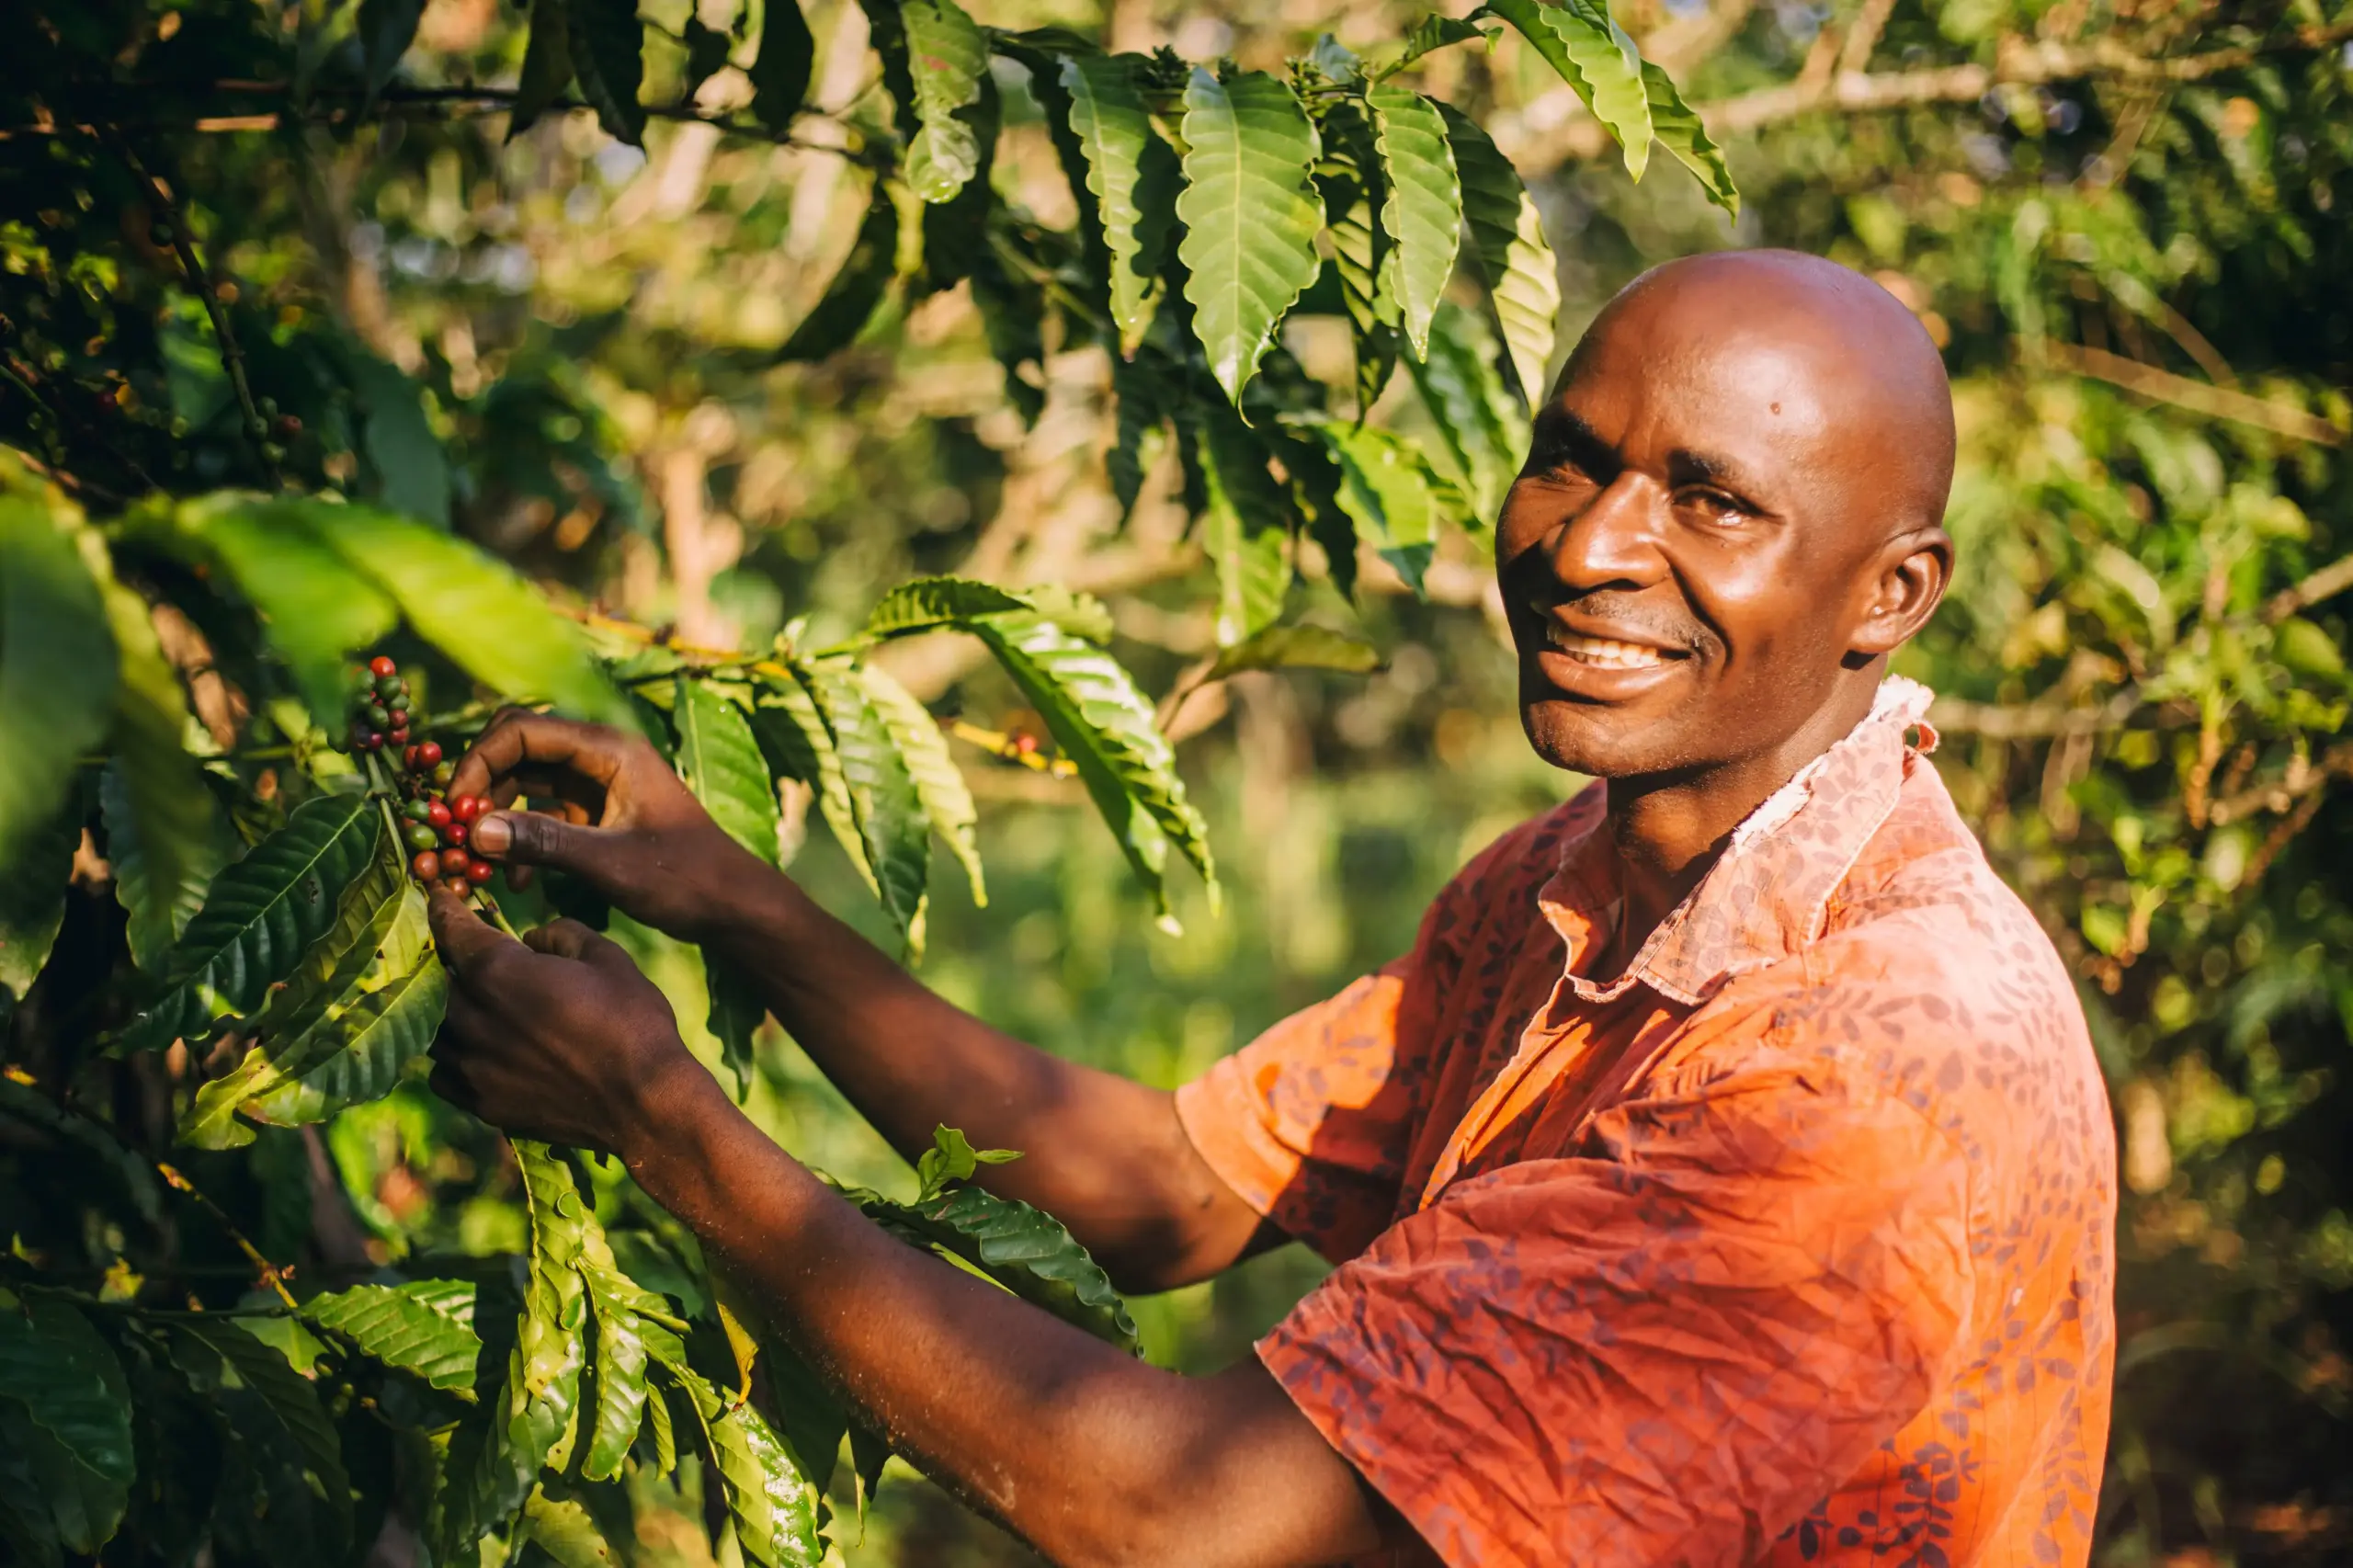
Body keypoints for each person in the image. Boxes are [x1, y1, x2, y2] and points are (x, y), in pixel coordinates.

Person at [426, 249, 2117, 1568]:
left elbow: (1188, 1523)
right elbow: (1169, 1193)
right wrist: (727, 894)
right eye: (1570, 460)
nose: (1589, 546)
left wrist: (656, 1114)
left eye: (1713, 500)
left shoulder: (1873, 1079)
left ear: (1892, 594)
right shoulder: (1570, 880)